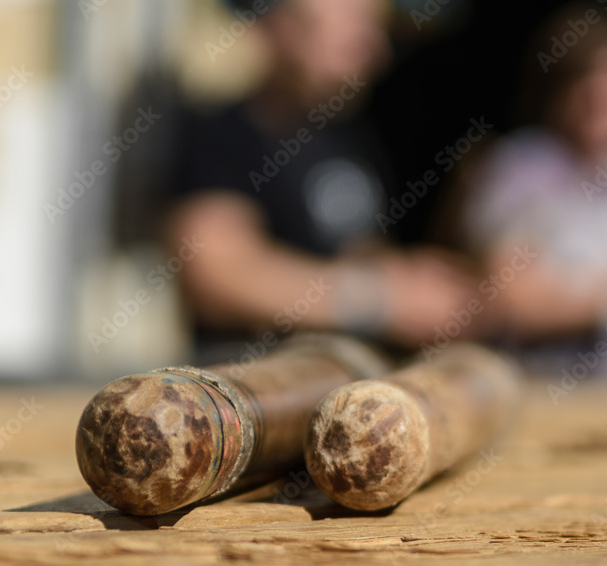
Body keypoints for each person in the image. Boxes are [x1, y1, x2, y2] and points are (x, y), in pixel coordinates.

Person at [167, 0, 477, 361]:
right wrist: (379, 300)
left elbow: (355, 251)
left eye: (373, 30)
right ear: (278, 27)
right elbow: (215, 276)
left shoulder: (349, 137)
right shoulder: (223, 133)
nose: (375, 49)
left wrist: (417, 284)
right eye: (351, 29)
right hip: (245, 385)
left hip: (334, 378)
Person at [463, 5, 607, 378]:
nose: (603, 94)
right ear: (559, 92)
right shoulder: (524, 170)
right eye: (588, 80)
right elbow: (512, 301)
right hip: (545, 396)